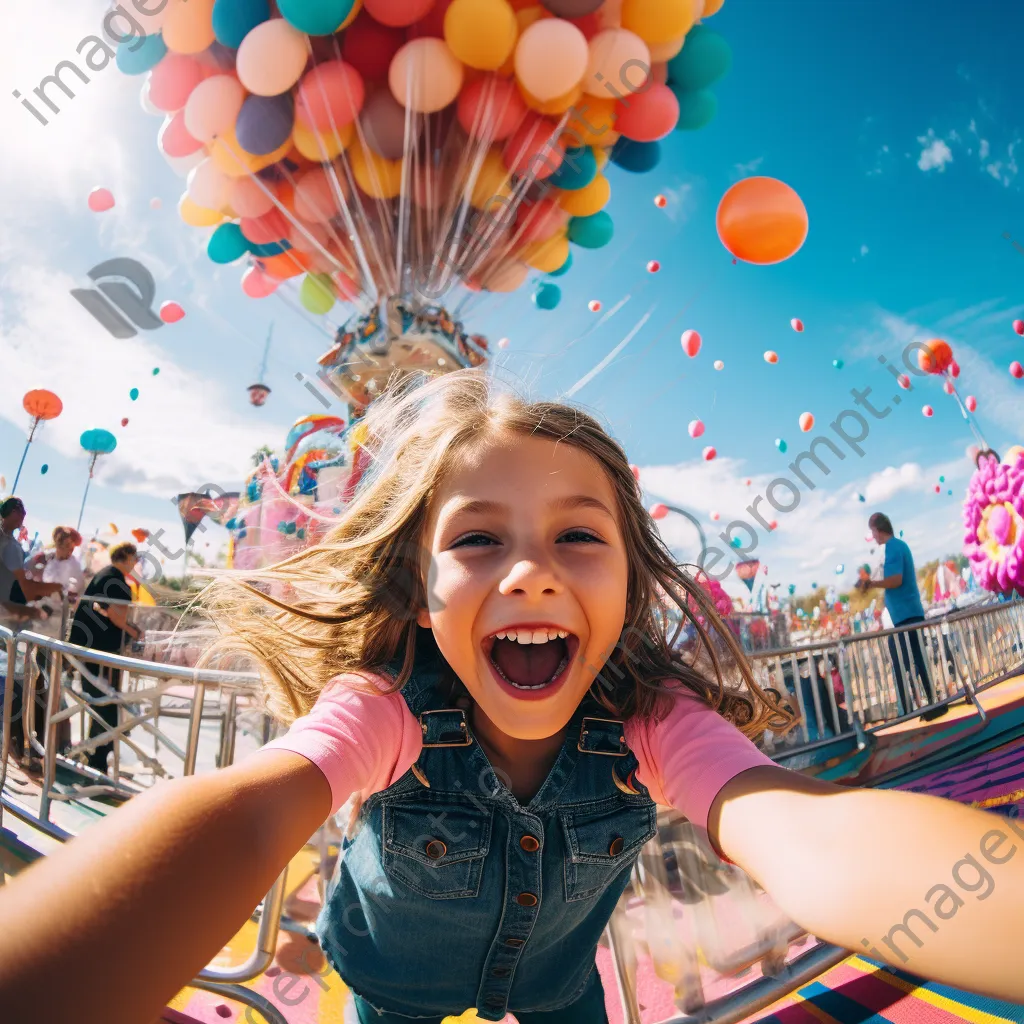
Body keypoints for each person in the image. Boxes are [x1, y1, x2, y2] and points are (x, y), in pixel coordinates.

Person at [0, 372, 1020, 1024]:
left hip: (560, 989)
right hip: (392, 989)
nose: (530, 572)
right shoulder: (388, 703)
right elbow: (253, 807)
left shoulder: (648, 713)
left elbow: (797, 828)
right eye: (478, 538)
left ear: (630, 579)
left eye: (577, 536)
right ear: (419, 587)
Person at [858, 514, 947, 722]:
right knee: (917, 659)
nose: (873, 536)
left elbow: (896, 580)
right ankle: (930, 705)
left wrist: (872, 584)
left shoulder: (893, 547)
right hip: (908, 613)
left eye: (873, 531)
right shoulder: (899, 546)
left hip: (906, 615)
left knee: (901, 661)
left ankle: (908, 710)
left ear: (878, 529)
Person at [67, 542, 143, 774]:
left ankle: (93, 754)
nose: (136, 563)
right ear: (127, 557)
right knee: (106, 706)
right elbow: (117, 617)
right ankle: (97, 760)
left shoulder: (103, 576)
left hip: (86, 648)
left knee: (99, 702)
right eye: (135, 558)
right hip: (103, 654)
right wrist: (136, 632)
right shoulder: (118, 582)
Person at [1, 497, 65, 767]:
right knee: (24, 681)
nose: (25, 515)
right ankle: (19, 745)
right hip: (8, 618)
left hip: (9, 615)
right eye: (22, 511)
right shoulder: (11, 546)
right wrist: (54, 590)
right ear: (14, 513)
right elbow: (25, 589)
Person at [0, 497, 63, 613]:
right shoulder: (10, 544)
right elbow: (22, 582)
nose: (22, 520)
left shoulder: (11, 542)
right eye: (22, 515)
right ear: (14, 513)